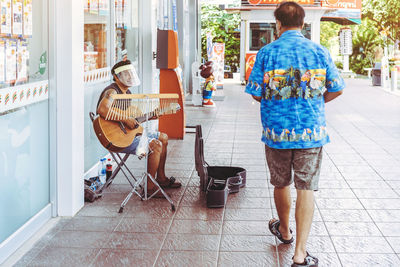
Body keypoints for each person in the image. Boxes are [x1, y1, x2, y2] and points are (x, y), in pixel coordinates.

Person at [245, 2, 344, 267]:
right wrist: (314, 101)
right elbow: (337, 88)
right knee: (306, 187)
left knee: (281, 183)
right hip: (311, 131)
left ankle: (285, 231)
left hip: (277, 131)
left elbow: (255, 91)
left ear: (277, 23)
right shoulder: (319, 51)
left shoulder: (265, 53)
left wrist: (276, 100)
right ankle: (300, 254)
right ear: (303, 23)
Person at [97, 60, 181, 198]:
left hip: (125, 133)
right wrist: (125, 120)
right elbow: (103, 109)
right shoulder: (112, 91)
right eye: (126, 74)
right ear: (117, 77)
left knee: (163, 138)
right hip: (115, 138)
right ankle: (150, 188)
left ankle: (160, 178)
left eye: (131, 73)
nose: (130, 77)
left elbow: (131, 120)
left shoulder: (127, 93)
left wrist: (150, 116)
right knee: (155, 145)